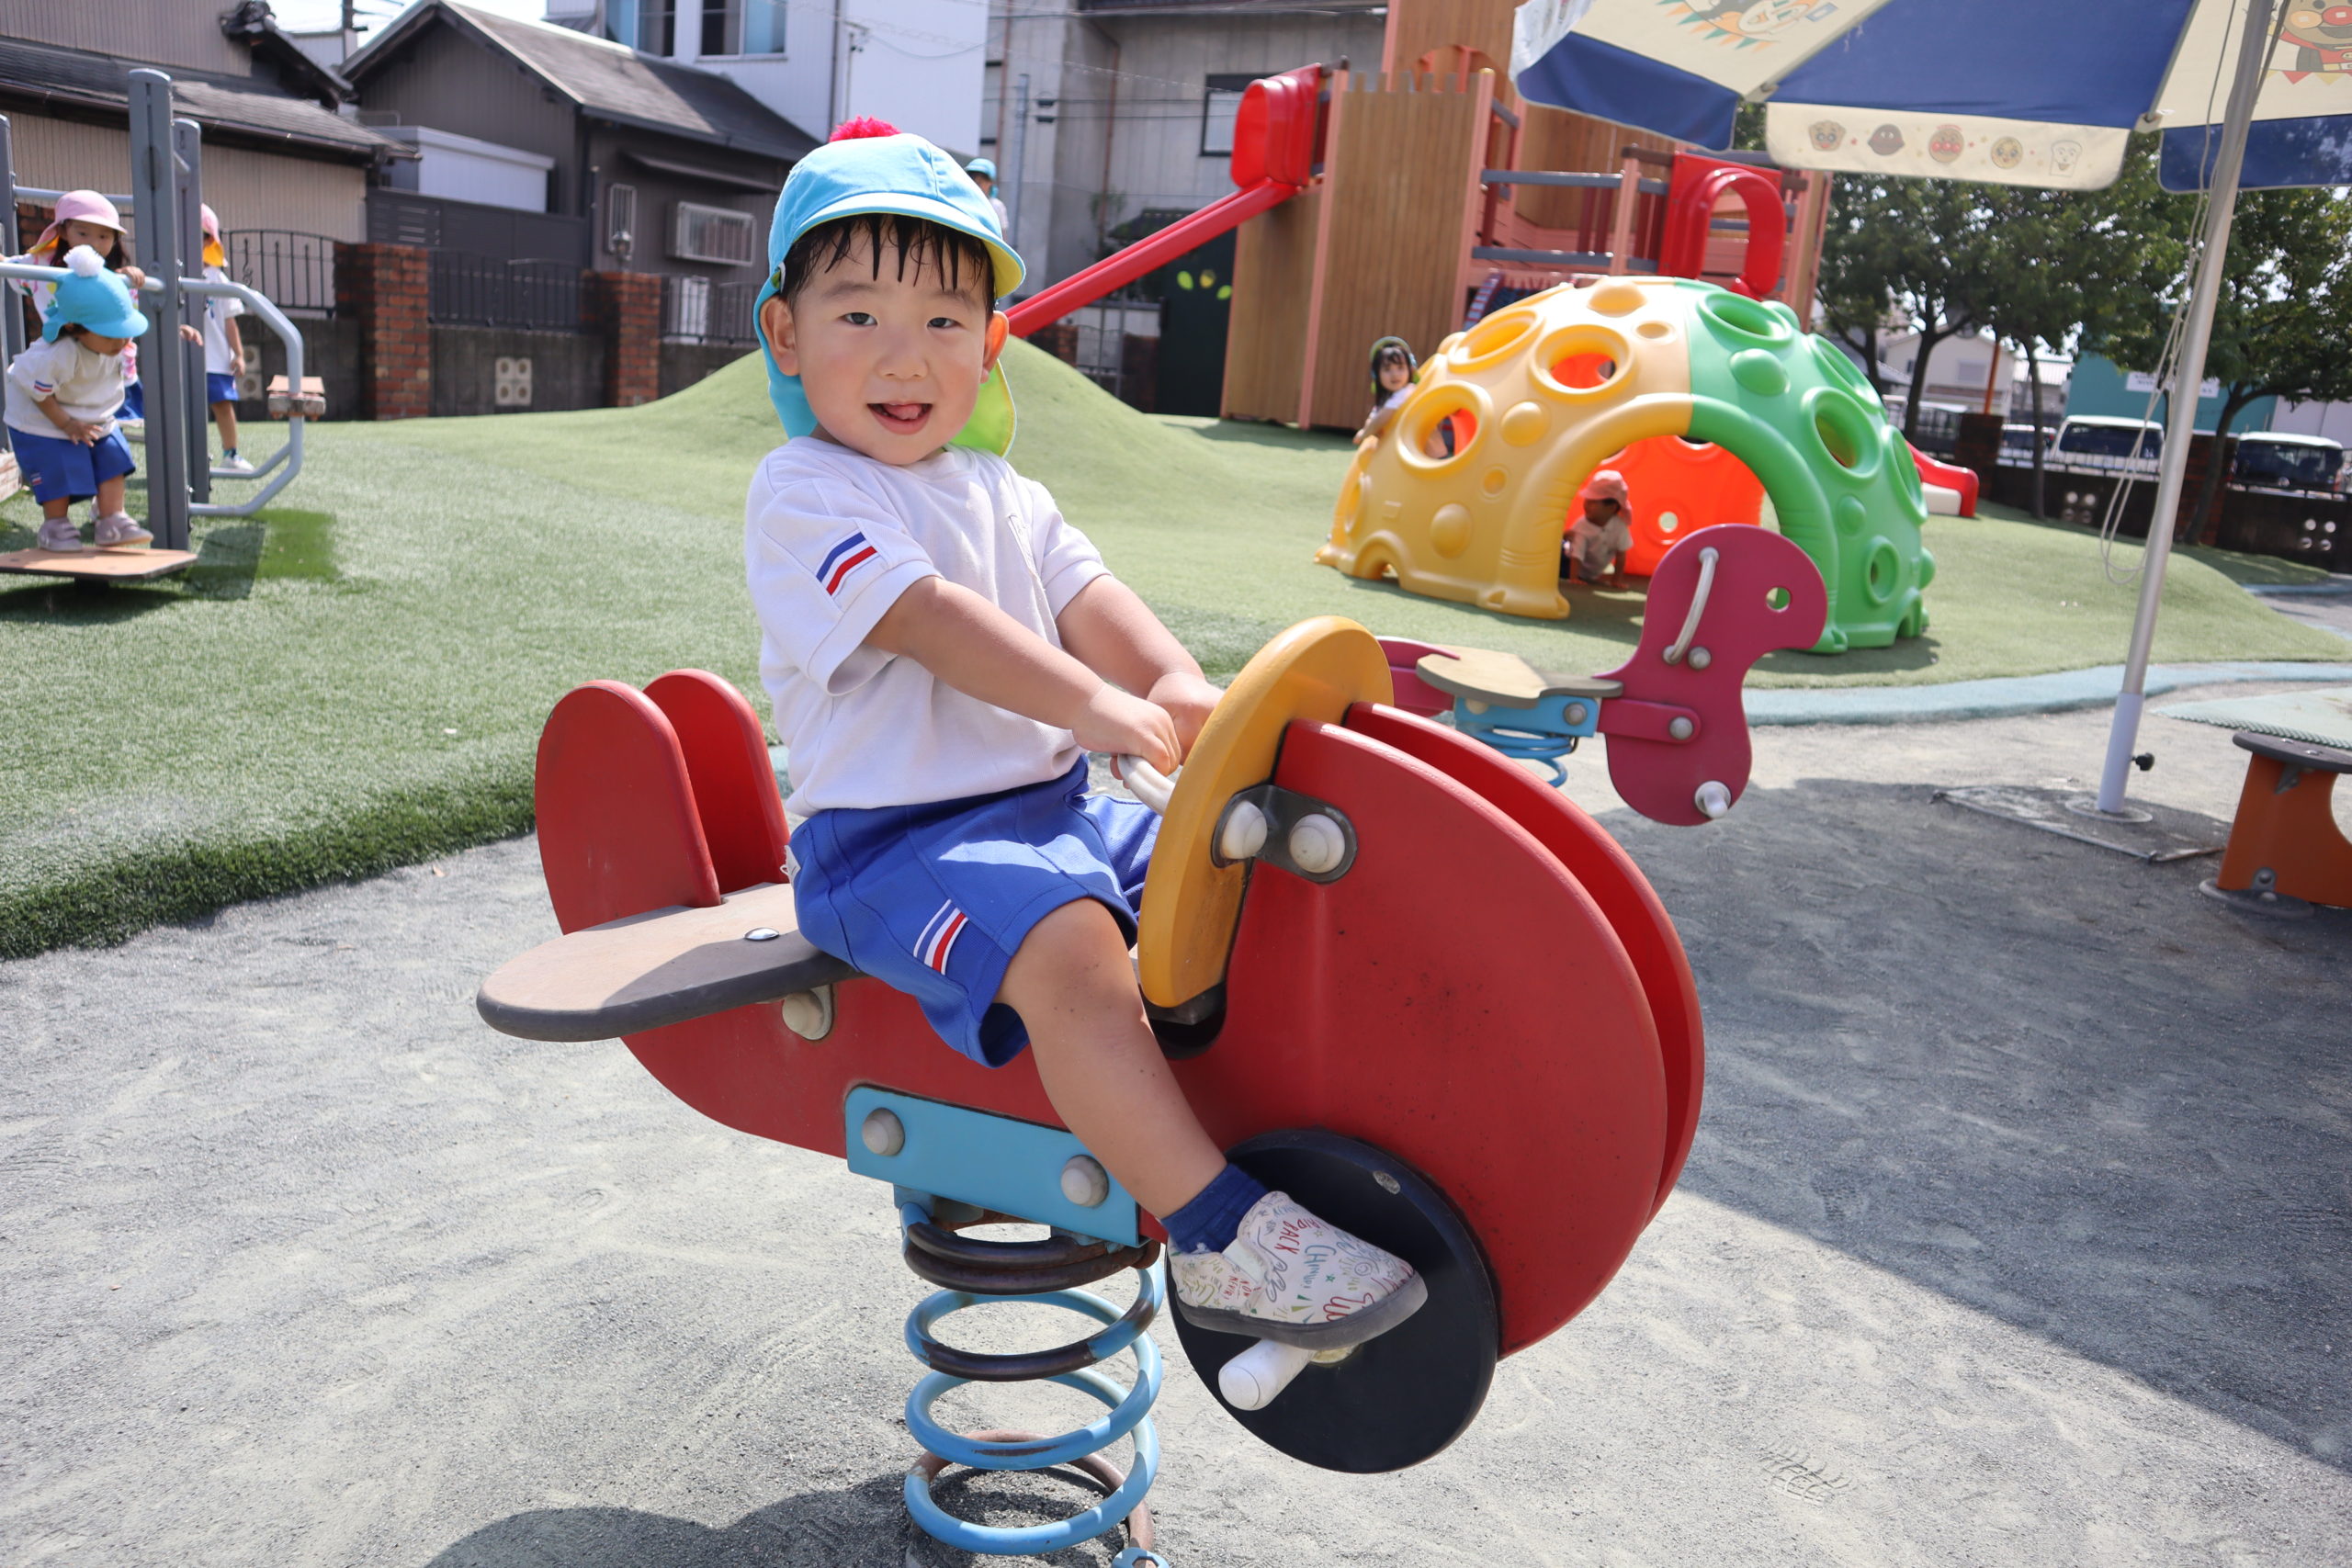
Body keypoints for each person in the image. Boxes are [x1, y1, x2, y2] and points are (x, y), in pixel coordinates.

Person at [747, 125, 1425, 1350]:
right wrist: (1092, 706)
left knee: (1229, 872)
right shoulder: (806, 491)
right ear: (785, 334)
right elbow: (924, 617)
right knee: (1069, 945)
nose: (905, 354)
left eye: (944, 320)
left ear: (992, 343)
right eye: (858, 316)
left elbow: (1088, 594)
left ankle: (1289, 1124)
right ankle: (1222, 1240)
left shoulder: (1003, 491)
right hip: (891, 848)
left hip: (1051, 814)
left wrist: (1172, 681)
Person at [6, 246, 153, 553]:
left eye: (124, 332)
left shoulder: (110, 347)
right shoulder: (60, 353)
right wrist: (67, 424)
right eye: (110, 335)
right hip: (40, 419)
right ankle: (55, 525)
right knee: (58, 465)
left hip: (90, 414)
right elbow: (38, 393)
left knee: (113, 457)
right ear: (74, 327)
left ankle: (111, 519)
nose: (120, 342)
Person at [5, 191, 149, 436]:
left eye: (104, 236)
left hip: (103, 357)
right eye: (83, 233)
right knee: (52, 397)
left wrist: (129, 277)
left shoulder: (115, 273)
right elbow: (9, 266)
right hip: (66, 349)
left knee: (103, 418)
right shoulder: (42, 264)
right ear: (62, 230)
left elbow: (128, 313)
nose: (94, 243)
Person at [198, 205, 253, 474]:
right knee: (182, 409)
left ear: (209, 240)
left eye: (199, 236)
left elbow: (229, 320)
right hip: (183, 357)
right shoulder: (169, 274)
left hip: (216, 356)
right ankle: (185, 455)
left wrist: (238, 354)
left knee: (222, 404)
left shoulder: (216, 277)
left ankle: (231, 453)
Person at [1563, 469, 1634, 587]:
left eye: (1592, 502)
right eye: (1587, 501)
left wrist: (1616, 580)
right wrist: (1574, 578)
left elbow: (1621, 555)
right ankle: (1563, 537)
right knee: (1557, 550)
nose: (1586, 505)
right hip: (1567, 563)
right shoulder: (1582, 526)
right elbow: (1576, 555)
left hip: (1590, 573)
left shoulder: (1619, 527)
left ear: (1611, 507)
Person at [1354, 336, 1417, 445]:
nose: (1395, 375)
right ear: (1377, 375)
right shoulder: (1387, 399)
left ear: (1410, 370)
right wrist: (1368, 427)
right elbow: (1373, 417)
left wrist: (1364, 434)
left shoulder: (1407, 391)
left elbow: (1383, 417)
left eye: (1400, 368)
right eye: (1387, 369)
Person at [964, 155, 1012, 234]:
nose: (976, 184)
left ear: (990, 182)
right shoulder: (962, 202)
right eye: (973, 179)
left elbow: (1002, 234)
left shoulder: (996, 206)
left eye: (980, 181)